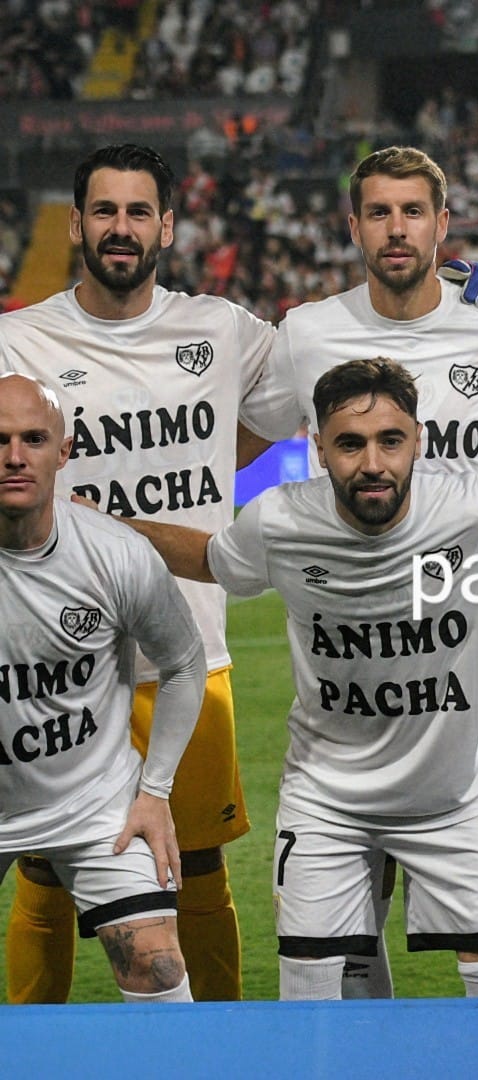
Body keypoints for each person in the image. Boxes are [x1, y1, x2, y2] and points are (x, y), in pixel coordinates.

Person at [116, 357, 478, 1000]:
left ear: (418, 442)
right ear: (317, 448)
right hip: (329, 805)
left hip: (458, 800)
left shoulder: (472, 509)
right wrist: (95, 525)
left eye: (389, 441)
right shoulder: (279, 521)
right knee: (311, 1003)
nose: (372, 463)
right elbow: (206, 558)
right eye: (349, 444)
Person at [253, 145, 478, 996]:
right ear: (354, 227)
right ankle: (364, 1044)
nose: (398, 228)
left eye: (413, 211)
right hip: (357, 636)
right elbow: (254, 434)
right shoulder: (309, 330)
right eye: (380, 213)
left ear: (443, 224)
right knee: (355, 883)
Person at [0, 144, 281, 1002]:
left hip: (186, 653)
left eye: (137, 212)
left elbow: (317, 392)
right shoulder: (19, 338)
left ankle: (218, 1049)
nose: (119, 228)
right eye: (103, 211)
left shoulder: (222, 329)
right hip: (52, 666)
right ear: (79, 222)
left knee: (193, 870)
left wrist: (209, 473)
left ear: (167, 225)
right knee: (45, 877)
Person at [0, 372, 204, 1004]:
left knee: (158, 970)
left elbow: (186, 664)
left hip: (97, 804)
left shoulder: (115, 553)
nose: (14, 456)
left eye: (33, 438)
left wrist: (155, 792)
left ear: (63, 452)